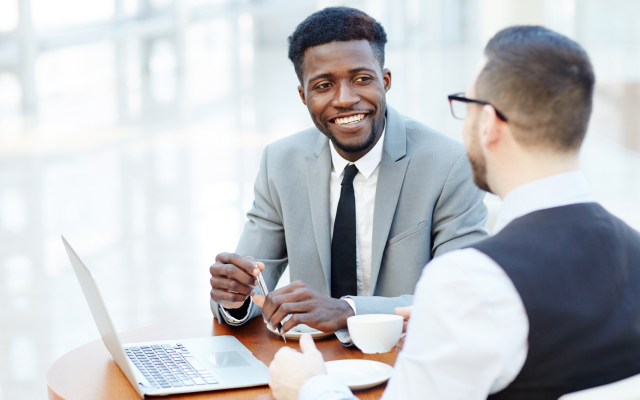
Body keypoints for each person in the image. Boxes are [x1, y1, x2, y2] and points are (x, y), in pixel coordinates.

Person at [268, 25, 640, 400]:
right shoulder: (634, 247)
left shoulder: (468, 281)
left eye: (468, 105)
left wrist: (309, 387)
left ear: (489, 124)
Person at [208, 6, 488, 339]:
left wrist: (348, 312)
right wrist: (236, 297)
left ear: (385, 81)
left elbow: (461, 296)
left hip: (407, 357)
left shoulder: (449, 163)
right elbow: (254, 287)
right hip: (312, 364)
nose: (345, 99)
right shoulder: (280, 162)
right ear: (304, 96)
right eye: (324, 85)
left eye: (361, 79)